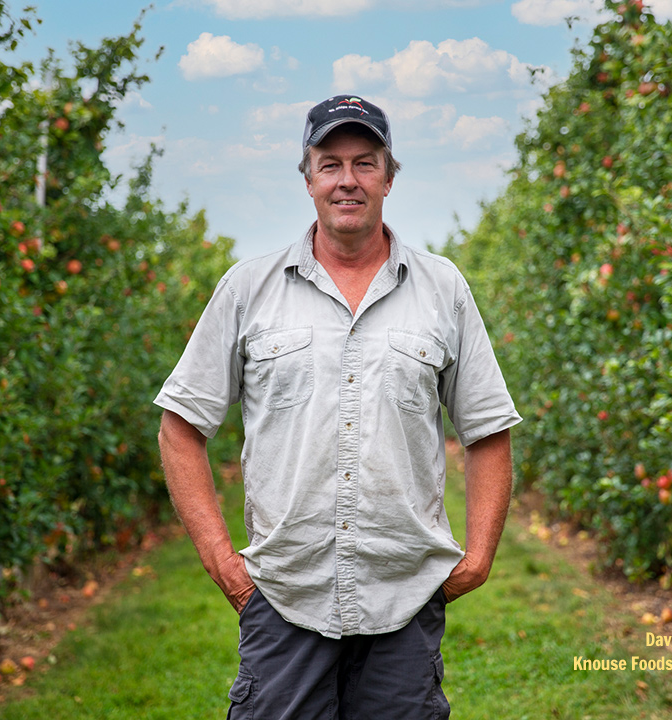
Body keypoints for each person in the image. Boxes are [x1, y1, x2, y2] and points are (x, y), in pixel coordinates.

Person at [154, 94, 521, 719]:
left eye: (364, 162)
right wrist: (225, 564)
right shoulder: (250, 289)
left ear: (389, 176)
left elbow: (486, 430)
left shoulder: (443, 289)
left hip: (403, 598)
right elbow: (181, 425)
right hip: (282, 593)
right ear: (307, 178)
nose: (347, 180)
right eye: (330, 164)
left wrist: (480, 556)